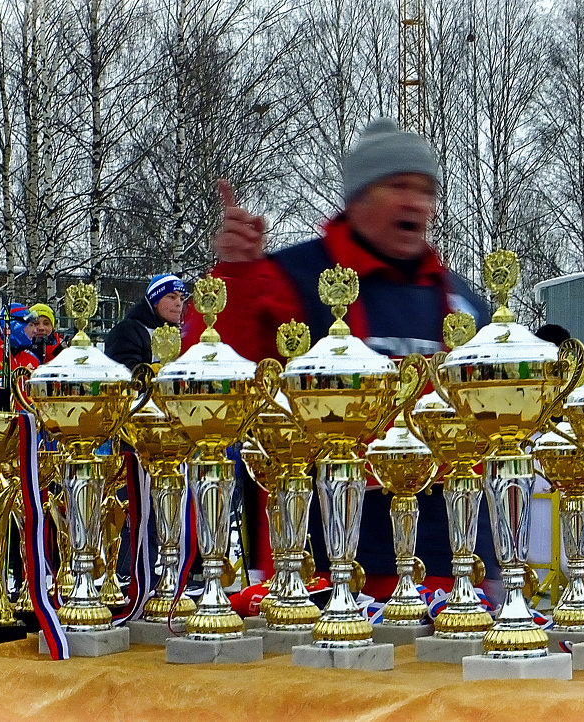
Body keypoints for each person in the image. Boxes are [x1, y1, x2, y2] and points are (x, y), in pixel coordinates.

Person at [184, 118, 493, 600]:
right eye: (399, 186)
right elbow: (216, 379)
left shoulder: (459, 297)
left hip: (446, 553)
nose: (417, 203)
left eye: (426, 190)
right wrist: (237, 276)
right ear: (359, 197)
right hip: (317, 559)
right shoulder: (291, 277)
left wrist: (492, 567)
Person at [104, 274, 187, 369]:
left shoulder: (179, 333)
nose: (178, 303)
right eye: (172, 297)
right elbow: (124, 373)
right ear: (155, 301)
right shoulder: (127, 331)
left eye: (182, 299)